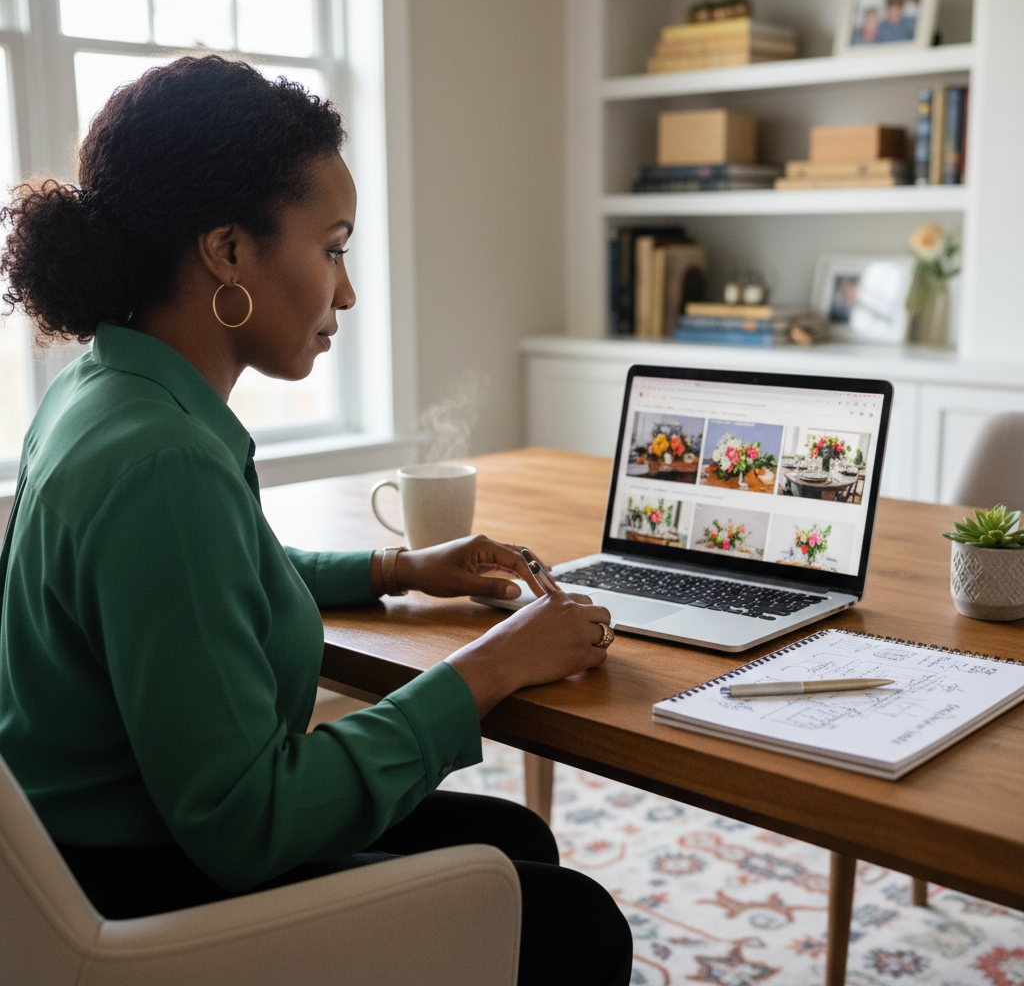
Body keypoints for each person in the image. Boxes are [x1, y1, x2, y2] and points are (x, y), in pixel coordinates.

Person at [0, 55, 633, 985]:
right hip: (135, 892)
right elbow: (247, 824)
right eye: (331, 247)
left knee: (511, 836)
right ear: (227, 251)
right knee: (572, 923)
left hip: (91, 845)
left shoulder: (106, 391)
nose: (344, 292)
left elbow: (216, 576)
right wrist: (491, 668)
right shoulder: (164, 460)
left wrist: (398, 572)